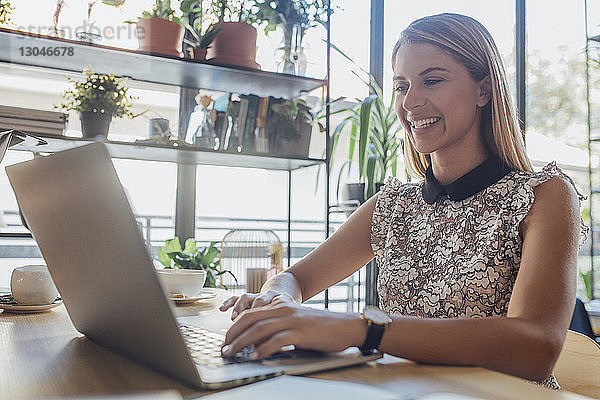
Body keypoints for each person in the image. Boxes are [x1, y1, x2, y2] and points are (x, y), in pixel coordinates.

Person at [219, 13, 587, 388]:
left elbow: (535, 350)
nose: (410, 102)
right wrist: (277, 299)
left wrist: (363, 329)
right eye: (400, 85)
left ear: (484, 90)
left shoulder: (546, 195)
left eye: (432, 80)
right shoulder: (393, 205)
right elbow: (294, 278)